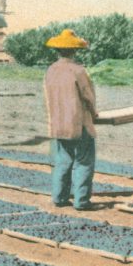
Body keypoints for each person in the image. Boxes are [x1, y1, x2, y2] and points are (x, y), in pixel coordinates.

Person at [43, 29, 99, 211]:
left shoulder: (50, 70)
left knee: (62, 160)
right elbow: (88, 96)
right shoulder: (78, 71)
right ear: (75, 50)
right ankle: (81, 201)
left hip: (58, 123)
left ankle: (59, 197)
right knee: (84, 160)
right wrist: (94, 112)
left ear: (57, 50)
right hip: (78, 122)